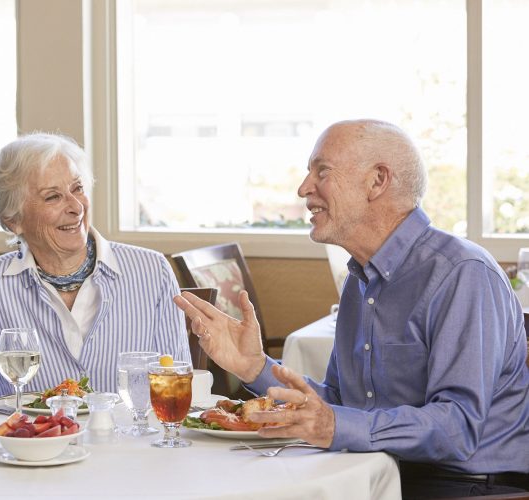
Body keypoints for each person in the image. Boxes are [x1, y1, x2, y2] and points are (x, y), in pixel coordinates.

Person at [174, 119, 529, 498]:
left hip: (467, 487)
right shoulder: (360, 281)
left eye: (321, 171)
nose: (303, 189)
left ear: (378, 181)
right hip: (377, 471)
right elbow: (343, 406)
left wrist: (334, 427)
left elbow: (457, 428)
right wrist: (256, 367)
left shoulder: (461, 274)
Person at [0, 132, 189, 395]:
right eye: (53, 196)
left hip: (130, 436)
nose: (77, 206)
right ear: (13, 220)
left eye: (77, 188)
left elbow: (176, 387)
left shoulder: (152, 271)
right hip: (35, 436)